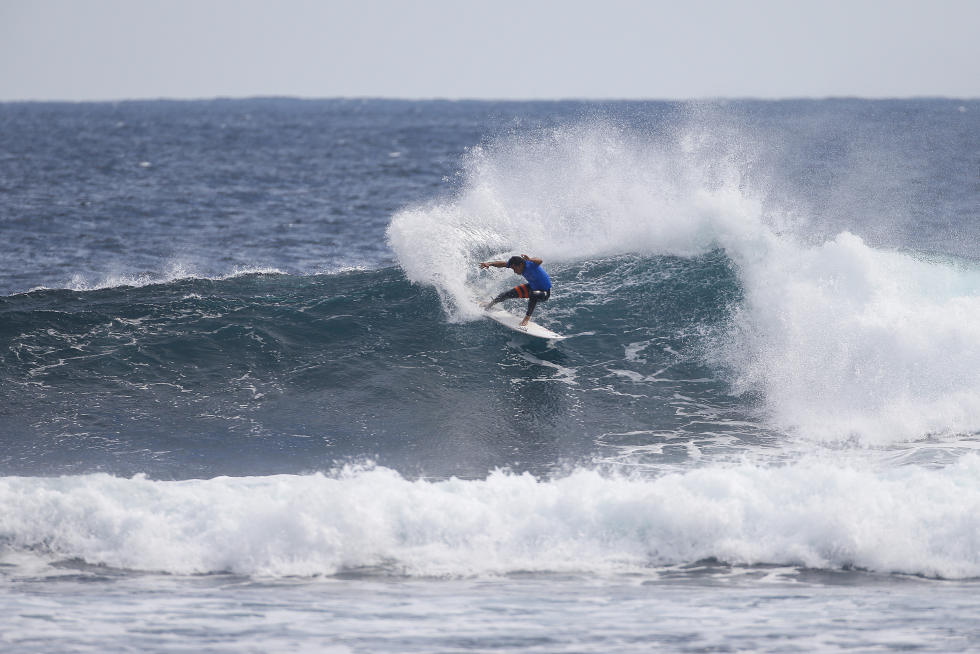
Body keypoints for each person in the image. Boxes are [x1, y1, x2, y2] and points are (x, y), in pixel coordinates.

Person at [479, 254, 552, 326]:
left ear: (520, 265)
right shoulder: (518, 265)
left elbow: (540, 260)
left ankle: (527, 318)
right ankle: (489, 305)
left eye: (514, 269)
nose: (514, 271)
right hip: (532, 287)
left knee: (534, 294)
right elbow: (503, 263)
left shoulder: (531, 264)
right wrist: (489, 263)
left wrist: (530, 259)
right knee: (506, 294)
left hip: (544, 293)